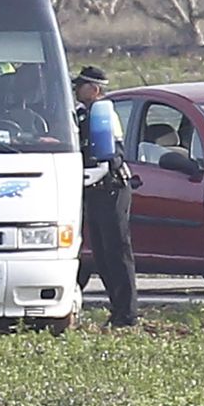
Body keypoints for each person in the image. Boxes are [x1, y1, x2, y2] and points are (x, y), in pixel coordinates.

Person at [72, 65, 139, 327]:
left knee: (117, 252)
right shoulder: (83, 114)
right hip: (94, 190)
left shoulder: (103, 115)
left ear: (95, 89)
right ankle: (117, 310)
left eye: (81, 85)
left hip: (111, 188)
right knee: (101, 254)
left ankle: (128, 314)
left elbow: (110, 158)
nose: (76, 89)